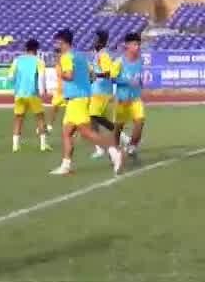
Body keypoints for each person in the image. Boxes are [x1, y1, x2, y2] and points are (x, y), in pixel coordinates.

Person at [52, 29, 123, 176]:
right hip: (80, 98)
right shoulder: (80, 55)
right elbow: (91, 75)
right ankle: (65, 165)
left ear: (63, 42)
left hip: (76, 99)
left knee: (86, 132)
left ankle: (114, 151)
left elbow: (69, 75)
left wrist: (60, 72)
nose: (56, 45)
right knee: (66, 132)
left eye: (57, 42)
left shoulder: (66, 57)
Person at [9, 39, 49, 152]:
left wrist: (17, 85)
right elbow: (41, 77)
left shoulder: (17, 60)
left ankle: (15, 146)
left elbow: (10, 76)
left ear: (26, 48)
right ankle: (43, 145)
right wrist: (42, 91)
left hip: (19, 93)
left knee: (18, 118)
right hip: (32, 93)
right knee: (40, 117)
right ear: (36, 49)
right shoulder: (38, 61)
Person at [115, 33, 148, 157]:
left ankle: (132, 146)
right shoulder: (119, 61)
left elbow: (139, 77)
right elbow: (112, 79)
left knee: (140, 121)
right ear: (127, 45)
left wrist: (140, 82)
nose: (137, 47)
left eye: (138, 44)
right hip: (122, 99)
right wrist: (126, 81)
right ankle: (115, 148)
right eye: (135, 44)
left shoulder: (140, 60)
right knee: (119, 126)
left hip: (135, 99)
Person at [88, 30, 120, 160]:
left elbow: (108, 73)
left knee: (93, 117)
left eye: (95, 39)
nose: (93, 41)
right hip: (97, 90)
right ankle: (120, 135)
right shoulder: (97, 54)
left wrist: (96, 75)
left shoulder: (103, 55)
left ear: (101, 41)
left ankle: (100, 148)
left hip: (102, 91)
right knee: (96, 118)